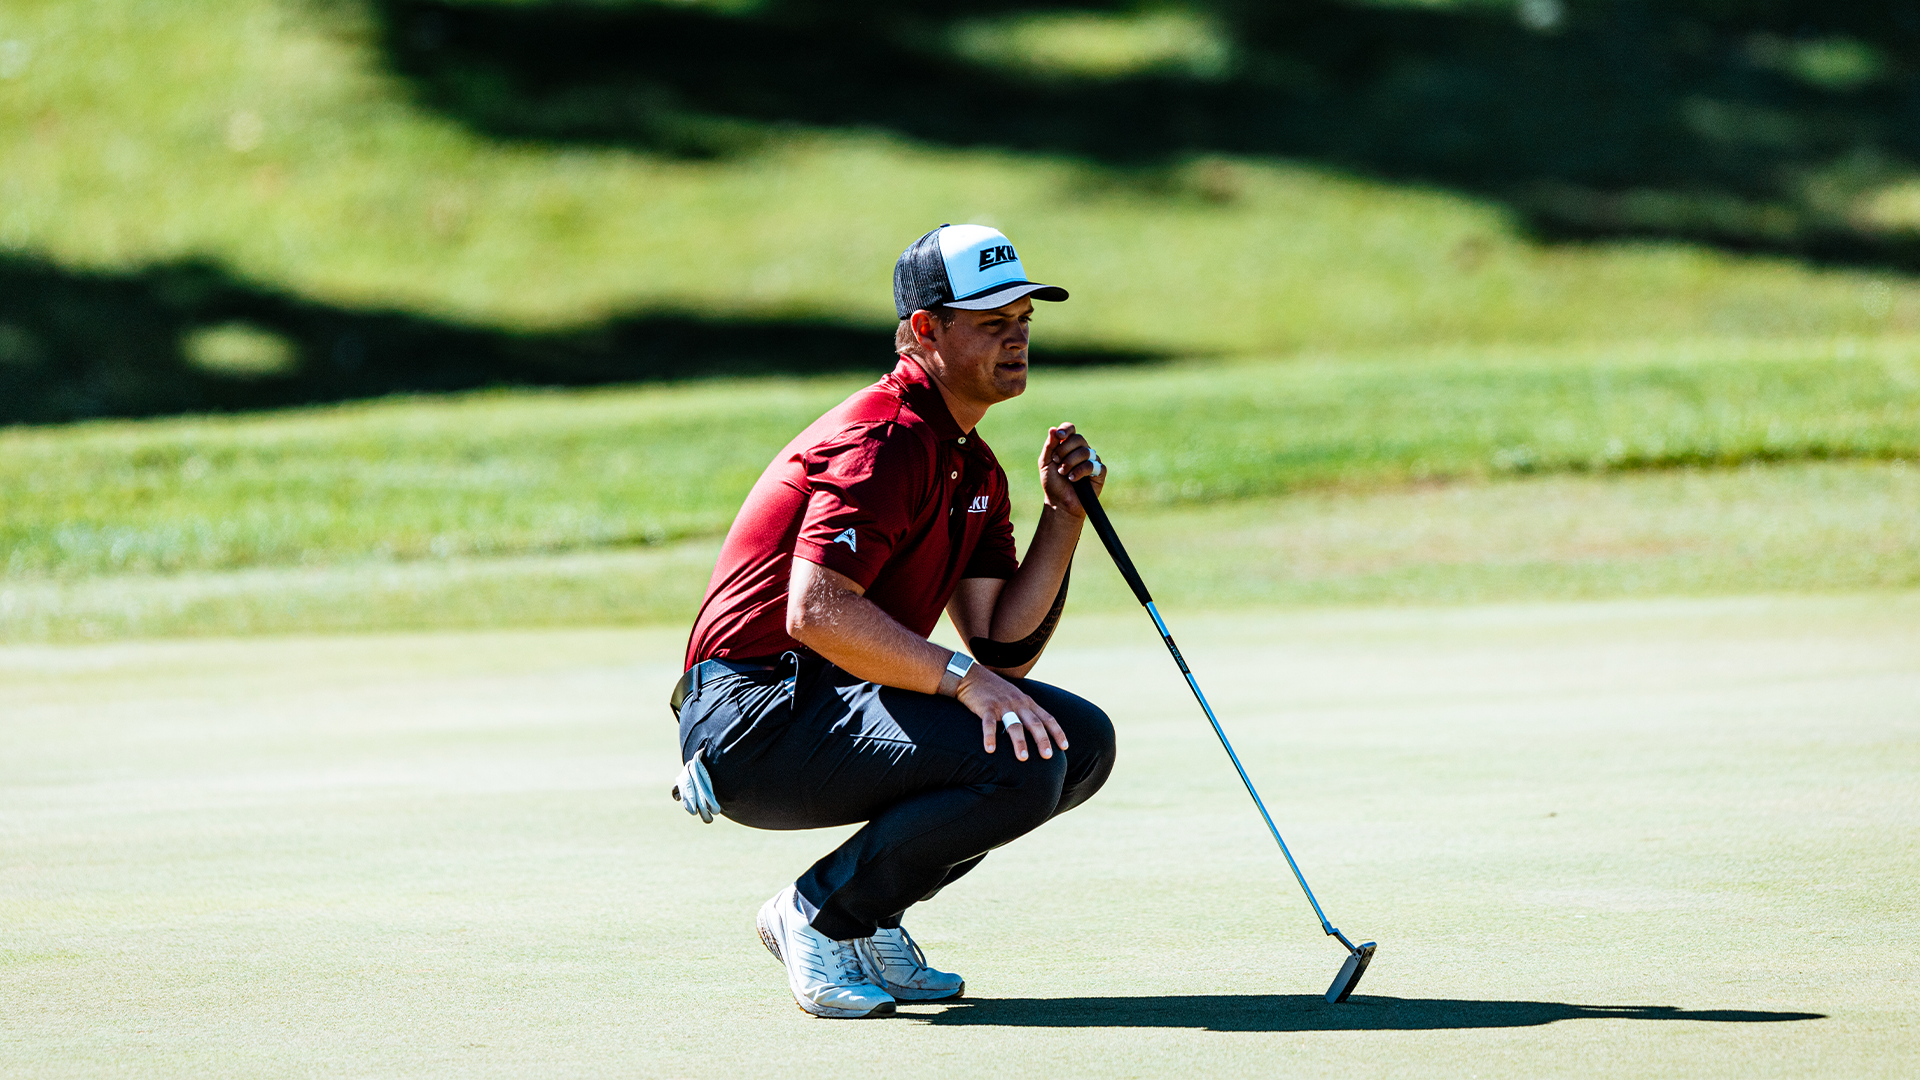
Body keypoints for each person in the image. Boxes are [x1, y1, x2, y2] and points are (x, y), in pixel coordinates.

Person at [669, 224, 1117, 1018]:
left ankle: (867, 922)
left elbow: (1003, 646)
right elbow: (816, 611)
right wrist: (964, 682)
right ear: (925, 330)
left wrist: (1063, 517)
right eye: (992, 323)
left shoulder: (973, 465)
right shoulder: (884, 440)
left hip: (832, 702)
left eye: (1023, 321)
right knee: (1021, 760)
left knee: (1074, 742)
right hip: (754, 716)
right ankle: (818, 915)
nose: (1017, 340)